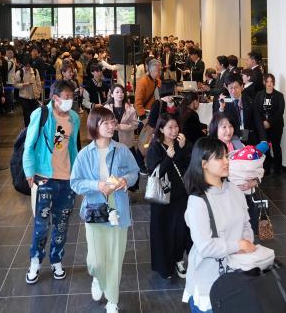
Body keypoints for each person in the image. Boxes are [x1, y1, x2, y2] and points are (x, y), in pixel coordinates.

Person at [70, 107, 139, 313]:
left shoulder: (122, 150)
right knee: (96, 261)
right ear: (94, 125)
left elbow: (134, 172)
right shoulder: (84, 154)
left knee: (115, 259)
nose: (111, 126)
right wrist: (97, 185)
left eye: (112, 122)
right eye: (105, 123)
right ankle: (97, 278)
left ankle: (112, 300)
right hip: (94, 210)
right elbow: (75, 183)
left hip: (118, 210)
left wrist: (125, 180)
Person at [182, 137, 255, 313]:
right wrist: (239, 245)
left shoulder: (234, 190)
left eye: (226, 156)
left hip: (237, 272)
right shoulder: (198, 201)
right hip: (208, 280)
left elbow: (246, 225)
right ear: (204, 164)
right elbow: (206, 247)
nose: (226, 161)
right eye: (219, 157)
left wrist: (245, 243)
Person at [23, 80, 80, 284]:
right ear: (55, 98)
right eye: (66, 97)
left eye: (72, 97)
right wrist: (29, 171)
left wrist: (76, 173)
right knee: (41, 225)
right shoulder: (41, 114)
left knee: (62, 224)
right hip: (44, 177)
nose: (70, 101)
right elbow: (29, 145)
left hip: (66, 179)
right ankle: (35, 262)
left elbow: (71, 147)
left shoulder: (74, 118)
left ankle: (57, 260)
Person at [146, 114, 192, 279]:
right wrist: (168, 157)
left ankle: (179, 259)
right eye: (170, 127)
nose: (174, 131)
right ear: (161, 129)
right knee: (163, 232)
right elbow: (154, 172)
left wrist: (183, 149)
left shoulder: (182, 144)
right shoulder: (155, 147)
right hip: (162, 198)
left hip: (180, 196)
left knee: (181, 231)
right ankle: (164, 266)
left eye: (176, 126)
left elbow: (188, 168)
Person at [213, 74, 261, 145]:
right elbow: (217, 121)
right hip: (232, 136)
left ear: (242, 87)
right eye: (230, 88)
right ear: (226, 87)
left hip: (247, 134)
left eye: (236, 87)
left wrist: (264, 139)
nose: (233, 91)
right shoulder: (222, 101)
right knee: (237, 150)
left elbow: (258, 121)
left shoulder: (250, 101)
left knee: (246, 150)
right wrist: (221, 108)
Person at [254, 74, 285, 176]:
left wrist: (269, 122)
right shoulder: (259, 95)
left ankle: (277, 170)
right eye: (267, 81)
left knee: (276, 147)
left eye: (271, 81)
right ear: (264, 82)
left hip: (276, 125)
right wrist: (263, 122)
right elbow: (256, 110)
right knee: (265, 147)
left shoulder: (279, 95)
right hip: (262, 126)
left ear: (274, 83)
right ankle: (266, 168)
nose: (269, 84)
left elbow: (280, 111)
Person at [14, 56, 42, 127]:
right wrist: (23, 84)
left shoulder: (35, 71)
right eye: (26, 66)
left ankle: (34, 129)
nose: (27, 67)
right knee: (26, 115)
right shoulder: (19, 72)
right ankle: (27, 129)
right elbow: (15, 84)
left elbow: (38, 83)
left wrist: (38, 93)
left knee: (34, 115)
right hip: (24, 97)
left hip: (34, 97)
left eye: (29, 65)